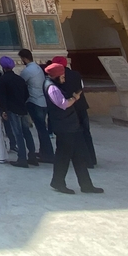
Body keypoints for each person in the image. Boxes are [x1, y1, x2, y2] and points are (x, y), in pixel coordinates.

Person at [43, 63, 103, 195]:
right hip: (63, 127)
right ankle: (58, 182)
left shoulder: (56, 85)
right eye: (62, 76)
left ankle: (86, 185)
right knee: (63, 157)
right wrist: (75, 97)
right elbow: (63, 104)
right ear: (56, 76)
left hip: (71, 125)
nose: (64, 79)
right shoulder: (51, 88)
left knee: (79, 156)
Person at [0, 56, 38, 168]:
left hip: (12, 110)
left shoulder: (3, 79)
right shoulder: (19, 79)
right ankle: (32, 156)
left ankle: (22, 158)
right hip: (22, 109)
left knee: (18, 134)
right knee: (26, 132)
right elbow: (26, 94)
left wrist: (4, 110)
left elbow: (3, 97)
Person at [19, 49, 54, 163]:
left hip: (35, 101)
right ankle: (44, 152)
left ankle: (48, 154)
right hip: (42, 101)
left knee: (41, 129)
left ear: (24, 58)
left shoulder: (28, 71)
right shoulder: (38, 68)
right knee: (42, 128)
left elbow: (20, 82)